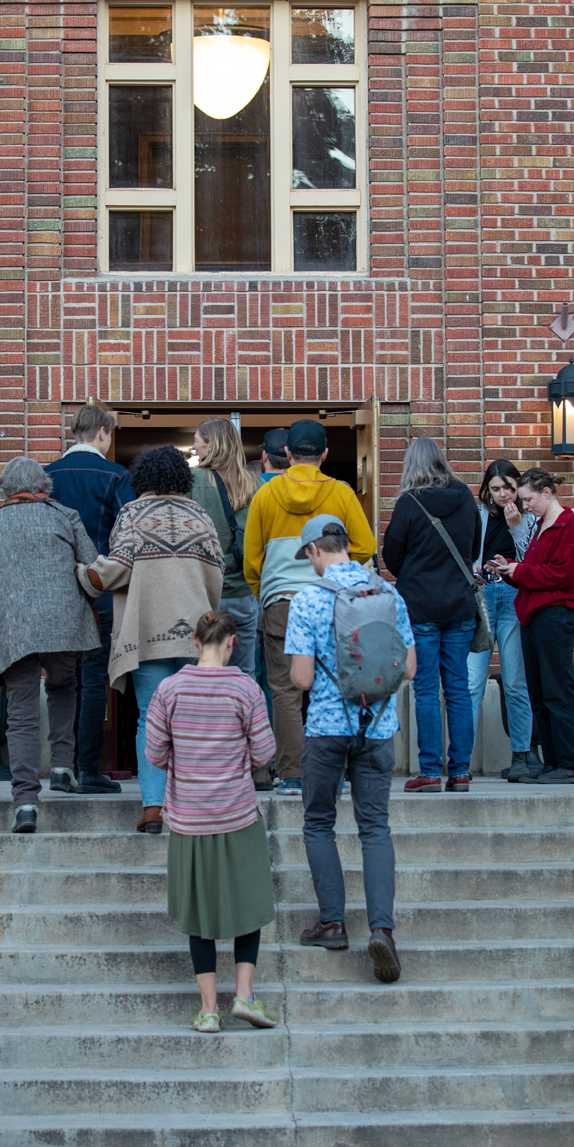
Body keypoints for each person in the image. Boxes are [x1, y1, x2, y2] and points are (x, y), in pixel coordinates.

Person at [0, 457, 100, 835]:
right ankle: (61, 765)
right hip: (65, 622)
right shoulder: (65, 516)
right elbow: (91, 564)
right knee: (64, 686)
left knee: (21, 711)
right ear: (43, 486)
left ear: (4, 489)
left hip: (15, 627)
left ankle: (26, 802)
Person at [285, 515, 415, 982]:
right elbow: (410, 668)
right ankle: (382, 929)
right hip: (378, 727)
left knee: (319, 822)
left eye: (309, 557)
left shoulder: (308, 599)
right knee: (375, 827)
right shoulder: (388, 593)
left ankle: (333, 922)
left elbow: (300, 678)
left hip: (326, 727)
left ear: (316, 550)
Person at [76, 445, 224, 834]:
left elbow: (115, 569)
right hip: (196, 635)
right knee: (193, 721)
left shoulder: (132, 513)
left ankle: (154, 808)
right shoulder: (201, 515)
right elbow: (217, 570)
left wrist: (83, 573)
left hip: (148, 633)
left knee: (151, 719)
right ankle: (193, 804)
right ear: (182, 478)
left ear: (141, 478)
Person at [144, 609, 278, 1032]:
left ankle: (207, 1010)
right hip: (237, 814)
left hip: (188, 818)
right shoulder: (246, 688)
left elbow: (153, 754)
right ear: (232, 643)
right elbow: (264, 753)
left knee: (198, 914)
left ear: (196, 643)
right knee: (250, 907)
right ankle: (245, 996)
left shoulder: (169, 688)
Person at [243, 419, 377, 794]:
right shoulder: (342, 492)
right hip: (335, 599)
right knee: (341, 682)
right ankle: (341, 771)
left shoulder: (265, 496)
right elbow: (366, 546)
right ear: (325, 454)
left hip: (281, 601)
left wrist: (264, 590)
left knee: (286, 689)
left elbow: (251, 558)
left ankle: (292, 774)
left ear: (286, 453)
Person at [382, 437, 482, 793]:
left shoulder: (409, 503)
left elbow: (391, 557)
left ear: (411, 464)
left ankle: (429, 770)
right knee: (457, 688)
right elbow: (472, 551)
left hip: (420, 606)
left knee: (425, 689)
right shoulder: (466, 497)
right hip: (459, 605)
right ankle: (460, 771)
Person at [44, 403, 135, 793]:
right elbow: (127, 534)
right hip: (98, 586)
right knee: (95, 676)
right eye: (110, 434)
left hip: (54, 588)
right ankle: (88, 767)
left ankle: (62, 766)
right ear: (101, 432)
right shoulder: (115, 475)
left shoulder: (47, 476)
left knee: (61, 679)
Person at [486, 467, 574, 786]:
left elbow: (564, 577)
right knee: (540, 694)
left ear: (547, 493)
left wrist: (520, 571)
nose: (524, 505)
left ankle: (573, 762)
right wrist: (508, 570)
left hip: (555, 614)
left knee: (558, 689)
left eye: (529, 498)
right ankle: (554, 761)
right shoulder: (541, 527)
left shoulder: (570, 526)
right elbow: (533, 570)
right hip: (533, 614)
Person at [468, 460, 537, 783]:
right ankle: (459, 759)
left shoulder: (530, 515)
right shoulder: (477, 514)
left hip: (512, 598)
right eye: (495, 489)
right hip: (483, 596)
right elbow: (467, 554)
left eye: (508, 488)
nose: (502, 495)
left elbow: (531, 560)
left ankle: (522, 755)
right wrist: (478, 568)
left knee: (514, 682)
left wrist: (517, 526)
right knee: (471, 683)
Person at [190, 416, 260, 677]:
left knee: (204, 673)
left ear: (211, 444)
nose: (194, 447)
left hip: (204, 595)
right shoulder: (257, 484)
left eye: (197, 441)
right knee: (244, 672)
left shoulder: (190, 482)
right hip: (243, 592)